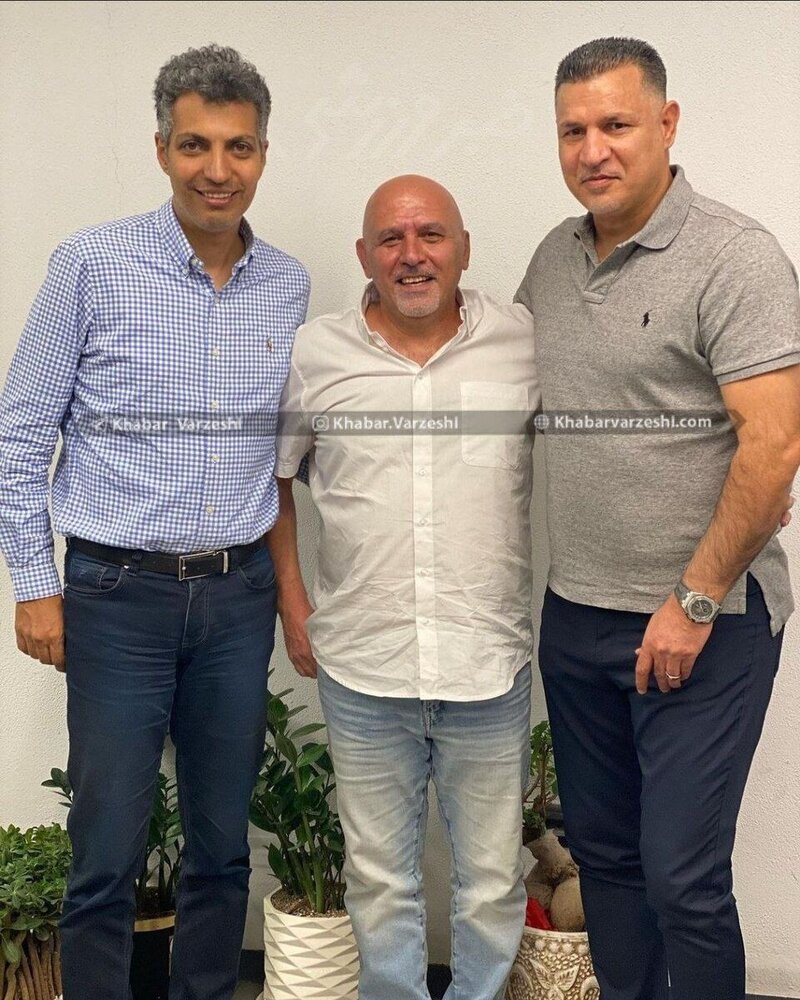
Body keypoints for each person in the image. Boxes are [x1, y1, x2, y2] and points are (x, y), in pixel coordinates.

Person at [0, 45, 309, 1000]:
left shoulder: (287, 284)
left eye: (238, 146)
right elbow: (20, 433)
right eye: (195, 145)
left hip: (236, 596)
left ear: (263, 153)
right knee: (107, 849)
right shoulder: (92, 264)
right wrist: (34, 584)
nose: (218, 168)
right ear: (162, 149)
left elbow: (285, 454)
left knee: (222, 845)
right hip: (115, 595)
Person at [515, 37, 800, 1000]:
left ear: (668, 125)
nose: (592, 149)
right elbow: (504, 385)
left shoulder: (735, 256)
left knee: (682, 876)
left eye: (616, 124)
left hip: (702, 622)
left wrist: (695, 597)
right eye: (573, 130)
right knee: (608, 863)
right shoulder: (555, 258)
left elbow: (775, 445)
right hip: (578, 616)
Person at [269, 175, 538, 1000]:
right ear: (364, 255)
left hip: (486, 663)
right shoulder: (315, 354)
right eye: (391, 238)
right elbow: (275, 481)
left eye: (431, 235)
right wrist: (293, 602)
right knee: (381, 883)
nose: (411, 255)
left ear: (464, 249)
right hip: (364, 666)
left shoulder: (522, 341)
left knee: (491, 883)